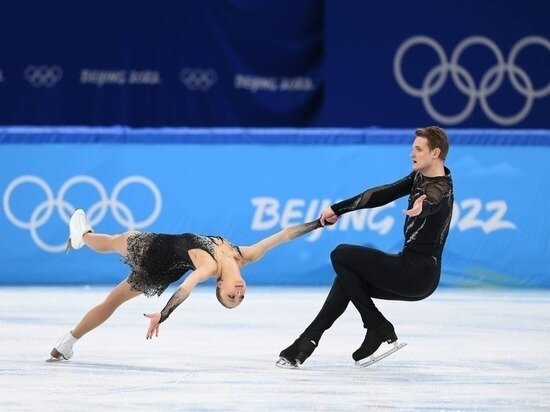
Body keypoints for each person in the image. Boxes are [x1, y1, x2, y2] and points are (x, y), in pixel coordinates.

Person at [277, 126, 454, 368]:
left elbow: (432, 199)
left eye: (418, 149)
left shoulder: (440, 188)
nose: (412, 153)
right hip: (415, 272)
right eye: (413, 148)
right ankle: (305, 343)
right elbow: (381, 195)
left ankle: (376, 325)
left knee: (341, 254)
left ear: (435, 153)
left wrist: (422, 206)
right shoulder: (419, 177)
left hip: (417, 273)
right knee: (346, 279)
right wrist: (338, 209)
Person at [48, 209, 322, 361]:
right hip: (167, 268)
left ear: (219, 286)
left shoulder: (210, 267)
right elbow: (285, 235)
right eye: (239, 297)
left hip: (154, 252)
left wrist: (163, 314)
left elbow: (187, 288)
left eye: (230, 297)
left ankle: (83, 235)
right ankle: (66, 343)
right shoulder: (246, 255)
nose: (237, 294)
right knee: (112, 298)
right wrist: (318, 222)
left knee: (112, 245)